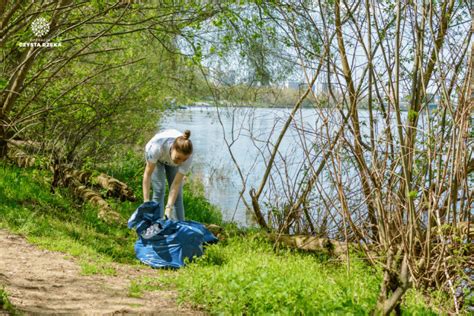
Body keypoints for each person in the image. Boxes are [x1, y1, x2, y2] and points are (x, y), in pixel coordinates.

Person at [142, 129, 193, 220]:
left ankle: (179, 228)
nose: (180, 162)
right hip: (157, 158)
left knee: (177, 195)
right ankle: (156, 225)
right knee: (159, 189)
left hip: (169, 157)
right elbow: (147, 175)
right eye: (178, 158)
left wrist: (168, 208)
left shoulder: (187, 157)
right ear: (173, 148)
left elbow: (176, 184)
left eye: (183, 160)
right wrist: (146, 201)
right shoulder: (156, 148)